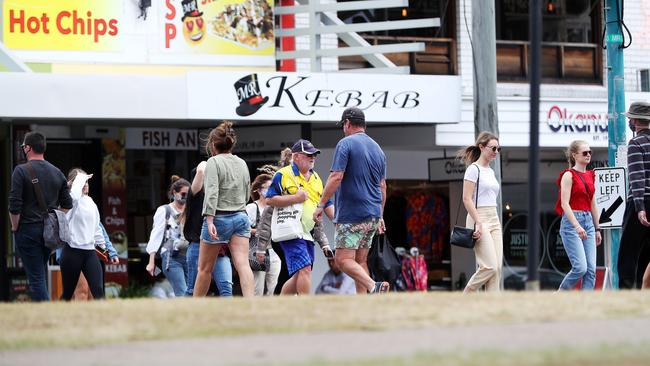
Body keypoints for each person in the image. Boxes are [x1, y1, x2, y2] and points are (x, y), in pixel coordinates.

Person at [314, 107, 389, 295]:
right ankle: (364, 303)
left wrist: (321, 204)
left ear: (347, 123)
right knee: (360, 260)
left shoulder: (345, 144)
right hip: (372, 213)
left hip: (352, 213)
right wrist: (380, 215)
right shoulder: (378, 149)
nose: (343, 129)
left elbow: (336, 177)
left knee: (342, 260)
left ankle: (373, 286)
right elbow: (382, 186)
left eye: (343, 125)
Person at [9, 131, 73, 301]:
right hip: (49, 233)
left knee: (36, 278)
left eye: (24, 146)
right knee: (40, 273)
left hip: (28, 230)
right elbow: (67, 205)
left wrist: (15, 227)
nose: (23, 149)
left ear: (28, 148)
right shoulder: (57, 172)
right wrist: (54, 218)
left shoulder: (20, 171)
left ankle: (45, 313)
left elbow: (14, 207)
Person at [267, 139, 334, 295]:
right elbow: (270, 199)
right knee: (304, 269)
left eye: (314, 155)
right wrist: (295, 198)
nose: (313, 157)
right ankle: (306, 307)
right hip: (290, 230)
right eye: (308, 154)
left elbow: (326, 202)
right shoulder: (282, 174)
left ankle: (282, 305)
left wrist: (337, 222)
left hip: (307, 231)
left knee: (301, 272)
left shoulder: (316, 178)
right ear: (296, 157)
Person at [195, 121, 254, 297]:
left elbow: (212, 191)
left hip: (219, 217)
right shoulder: (241, 162)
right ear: (231, 144)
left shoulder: (213, 162)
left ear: (213, 145)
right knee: (243, 264)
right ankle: (251, 303)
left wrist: (210, 218)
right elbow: (247, 190)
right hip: (241, 216)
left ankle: (194, 306)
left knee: (205, 269)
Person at [458, 132, 503, 293]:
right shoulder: (473, 169)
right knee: (489, 266)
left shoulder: (490, 171)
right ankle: (466, 294)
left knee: (497, 268)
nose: (496, 152)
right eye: (493, 148)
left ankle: (492, 309)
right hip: (479, 217)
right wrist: (478, 222)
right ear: (482, 147)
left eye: (499, 149)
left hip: (494, 217)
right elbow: (466, 199)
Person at [555, 141, 602, 290]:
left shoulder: (590, 175)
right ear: (574, 155)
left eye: (590, 152)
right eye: (584, 152)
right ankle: (559, 295)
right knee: (580, 268)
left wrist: (597, 228)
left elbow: (593, 204)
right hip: (572, 223)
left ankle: (585, 305)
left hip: (588, 221)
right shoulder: (568, 175)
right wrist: (577, 226)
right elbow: (564, 204)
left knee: (591, 270)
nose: (588, 155)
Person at [184, 164, 233, 297]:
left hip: (219, 248)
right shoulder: (194, 196)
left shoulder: (218, 195)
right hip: (197, 247)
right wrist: (212, 163)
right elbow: (200, 170)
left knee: (226, 287)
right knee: (192, 290)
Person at [60, 169, 105, 300]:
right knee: (68, 293)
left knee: (98, 291)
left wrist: (104, 249)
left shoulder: (91, 202)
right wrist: (79, 180)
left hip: (90, 252)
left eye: (87, 182)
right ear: (75, 185)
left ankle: (105, 319)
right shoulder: (70, 201)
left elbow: (97, 228)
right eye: (82, 183)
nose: (86, 185)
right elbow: (73, 196)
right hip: (72, 251)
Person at [618, 102, 650, 289]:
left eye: (630, 118)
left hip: (641, 203)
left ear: (636, 121)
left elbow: (637, 177)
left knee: (627, 255)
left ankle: (626, 293)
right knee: (646, 256)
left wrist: (639, 209)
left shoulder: (636, 143)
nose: (629, 121)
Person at [145, 176, 191, 297]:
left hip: (190, 256)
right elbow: (156, 235)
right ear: (174, 193)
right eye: (183, 193)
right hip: (171, 256)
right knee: (181, 291)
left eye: (188, 194)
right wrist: (151, 261)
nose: (186, 196)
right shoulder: (164, 210)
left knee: (190, 293)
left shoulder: (190, 210)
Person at [246, 173, 281, 296]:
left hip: (275, 250)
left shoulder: (276, 207)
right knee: (257, 288)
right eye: (268, 187)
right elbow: (242, 229)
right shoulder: (251, 207)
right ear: (260, 190)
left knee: (275, 286)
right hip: (258, 251)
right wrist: (259, 231)